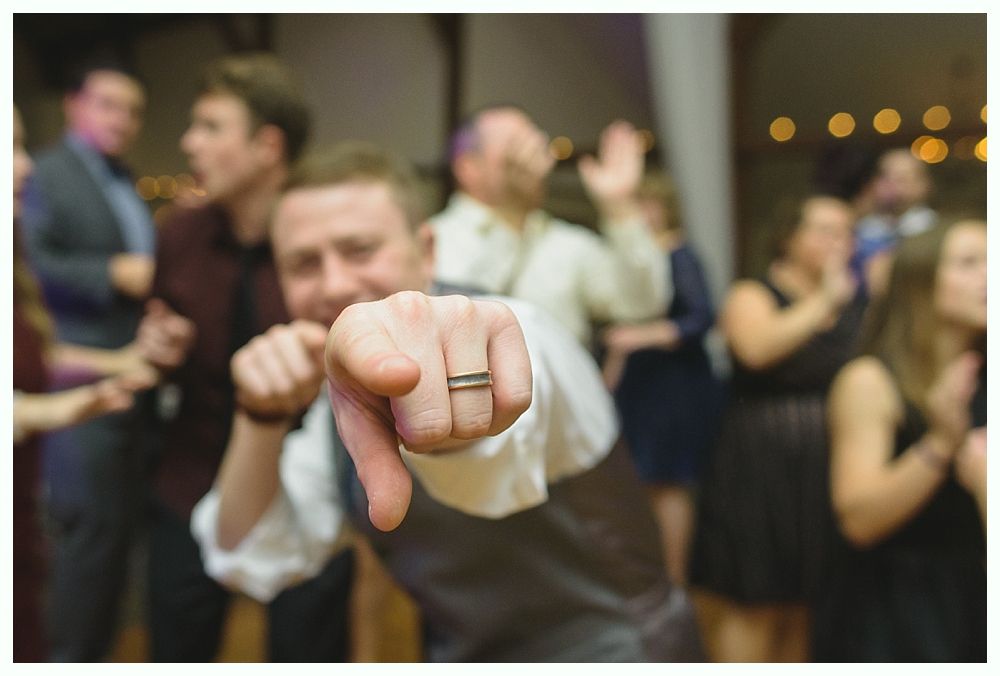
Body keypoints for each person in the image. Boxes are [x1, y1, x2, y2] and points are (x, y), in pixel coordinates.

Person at [190, 142, 704, 662]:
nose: (335, 284)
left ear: (427, 250)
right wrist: (260, 416)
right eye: (303, 264)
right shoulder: (336, 407)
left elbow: (501, 444)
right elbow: (249, 554)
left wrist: (438, 419)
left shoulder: (521, 332)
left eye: (360, 250)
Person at [134, 52, 353, 662]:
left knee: (309, 653)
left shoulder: (326, 241)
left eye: (210, 127)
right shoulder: (179, 233)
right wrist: (159, 350)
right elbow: (157, 336)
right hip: (191, 479)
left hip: (303, 484)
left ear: (267, 146)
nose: (188, 143)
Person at [18, 61, 156, 662]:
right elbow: (34, 259)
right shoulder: (48, 173)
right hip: (54, 360)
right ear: (75, 106)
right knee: (85, 536)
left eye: (131, 110)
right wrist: (112, 273)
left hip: (103, 367)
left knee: (115, 537)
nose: (120, 120)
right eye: (107, 105)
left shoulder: (123, 178)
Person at [690, 194, 866, 662]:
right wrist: (825, 300)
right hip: (762, 464)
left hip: (827, 464)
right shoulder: (754, 292)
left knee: (807, 602)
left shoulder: (860, 297)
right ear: (789, 236)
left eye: (847, 232)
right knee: (756, 598)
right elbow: (755, 349)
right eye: (824, 230)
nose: (838, 242)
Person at [816, 217, 986, 661]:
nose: (991, 276)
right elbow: (859, 520)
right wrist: (941, 444)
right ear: (919, 281)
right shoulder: (870, 381)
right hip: (902, 607)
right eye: (970, 263)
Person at [430, 105, 668, 349]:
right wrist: (510, 212)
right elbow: (468, 310)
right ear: (468, 168)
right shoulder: (436, 239)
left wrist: (620, 207)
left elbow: (643, 305)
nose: (534, 158)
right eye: (516, 147)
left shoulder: (566, 241)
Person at [601, 169, 724, 588]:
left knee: (668, 481)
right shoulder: (634, 258)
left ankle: (674, 580)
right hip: (641, 384)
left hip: (673, 384)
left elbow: (700, 319)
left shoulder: (679, 254)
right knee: (642, 480)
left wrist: (639, 337)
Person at [851, 148, 937, 296]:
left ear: (924, 184)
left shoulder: (935, 230)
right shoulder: (861, 229)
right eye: (886, 176)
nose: (893, 183)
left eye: (903, 177)